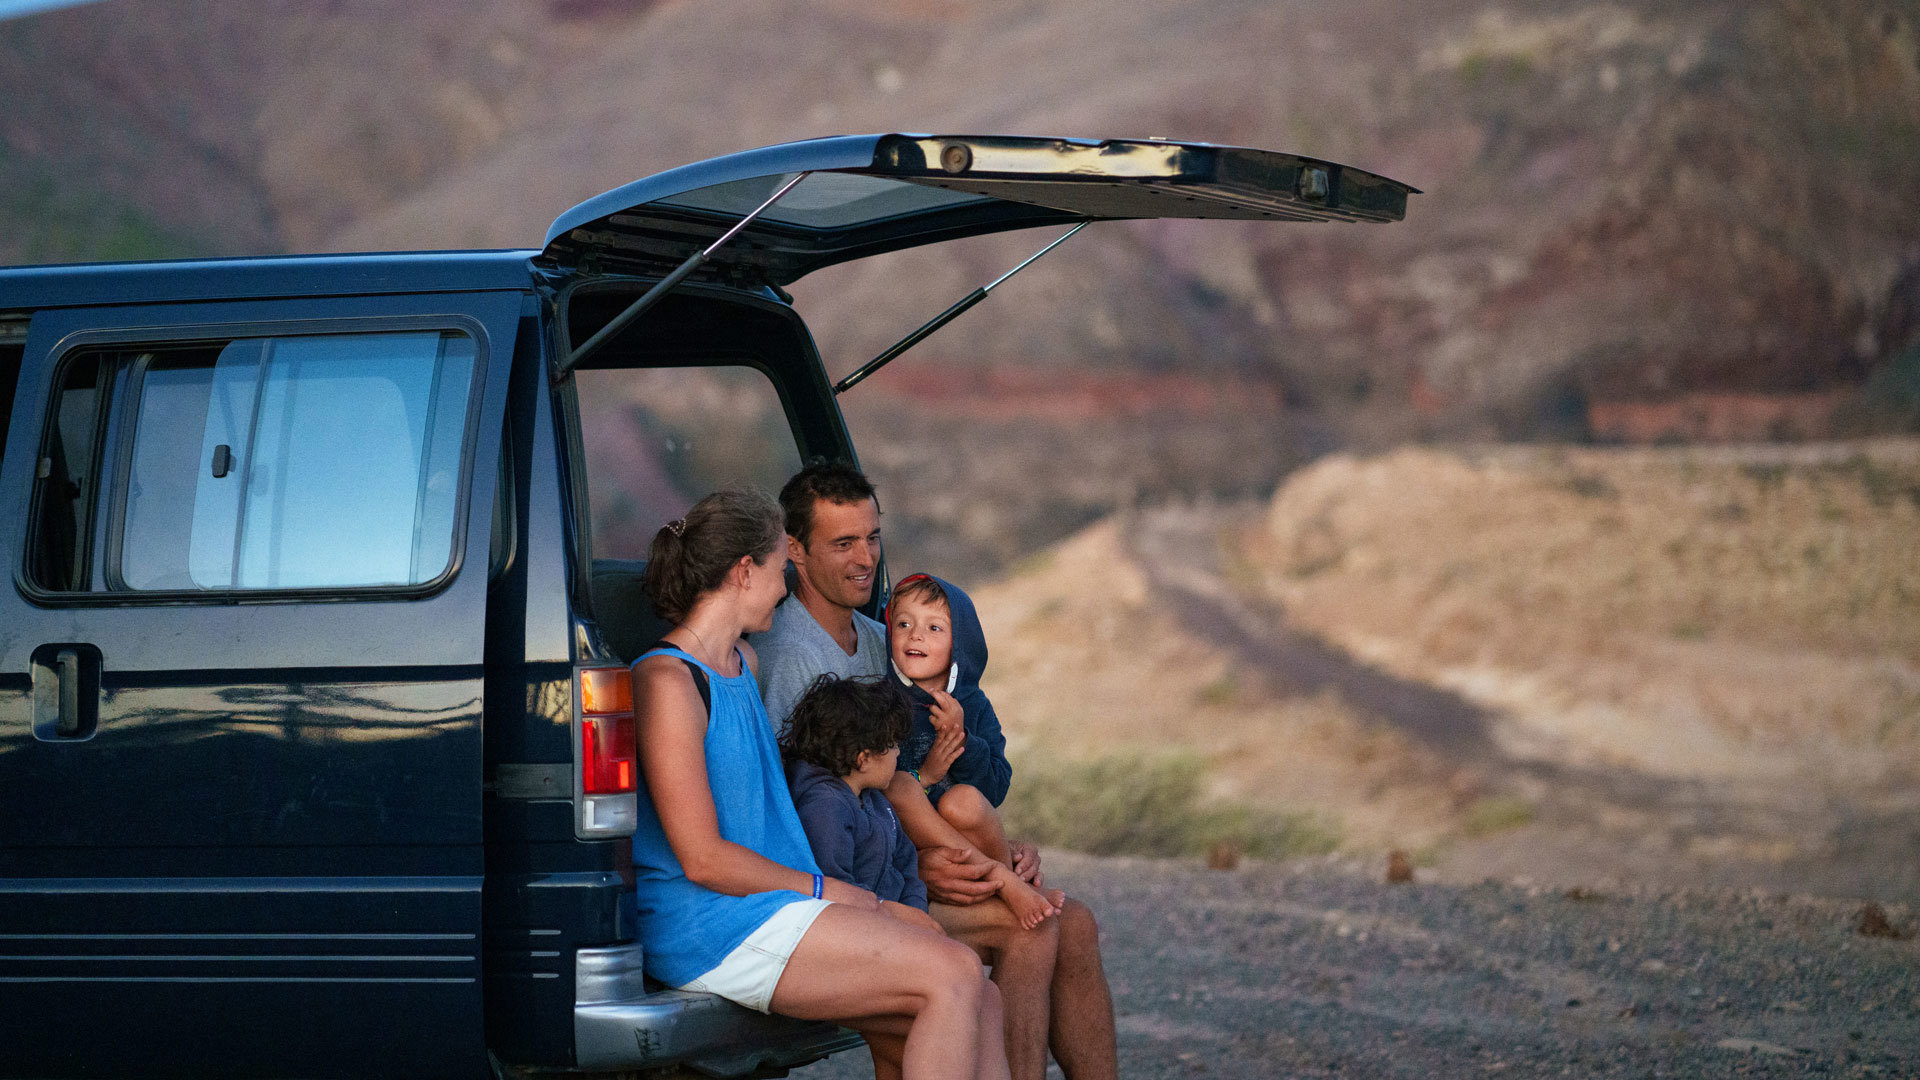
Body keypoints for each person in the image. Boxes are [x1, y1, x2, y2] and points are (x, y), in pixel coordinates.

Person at [753, 463, 1119, 1080]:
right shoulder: (790, 657)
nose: (866, 558)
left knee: (1074, 924)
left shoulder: (884, 639)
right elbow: (806, 810)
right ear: (794, 549)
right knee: (1033, 931)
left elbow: (916, 774)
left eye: (872, 537)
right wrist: (935, 860)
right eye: (843, 543)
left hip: (906, 852)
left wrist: (994, 851)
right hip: (856, 883)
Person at [627, 489, 1008, 1080]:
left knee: (981, 993)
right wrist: (828, 889)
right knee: (951, 974)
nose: (785, 587)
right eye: (782, 570)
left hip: (774, 904)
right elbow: (701, 860)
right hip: (710, 923)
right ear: (743, 572)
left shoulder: (743, 663)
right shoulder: (668, 681)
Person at [883, 572, 1061, 930]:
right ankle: (1010, 885)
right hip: (915, 844)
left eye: (934, 628)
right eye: (904, 623)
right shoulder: (883, 702)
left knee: (963, 800)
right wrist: (929, 775)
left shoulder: (974, 705)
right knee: (900, 784)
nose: (915, 634)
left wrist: (961, 737)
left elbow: (995, 789)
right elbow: (879, 789)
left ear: (960, 644)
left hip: (967, 840)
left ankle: (1006, 890)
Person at [782, 673, 942, 936]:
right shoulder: (825, 809)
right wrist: (904, 922)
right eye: (892, 745)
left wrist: (916, 912)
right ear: (863, 760)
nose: (899, 752)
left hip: (900, 918)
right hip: (861, 930)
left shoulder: (874, 798)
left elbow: (906, 859)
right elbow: (837, 890)